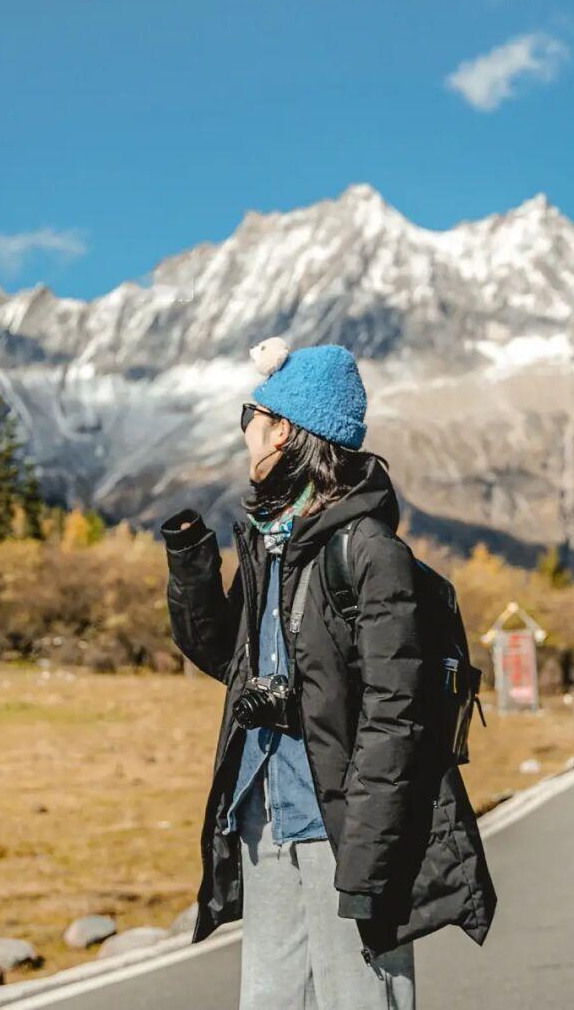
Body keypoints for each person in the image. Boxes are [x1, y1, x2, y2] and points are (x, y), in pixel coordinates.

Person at [161, 338, 496, 1010]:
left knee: (361, 1000)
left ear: (284, 429)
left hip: (340, 825)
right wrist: (193, 561)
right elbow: (231, 661)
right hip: (264, 814)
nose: (244, 433)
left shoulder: (369, 552)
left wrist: (370, 857)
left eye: (248, 416)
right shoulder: (269, 542)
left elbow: (394, 716)